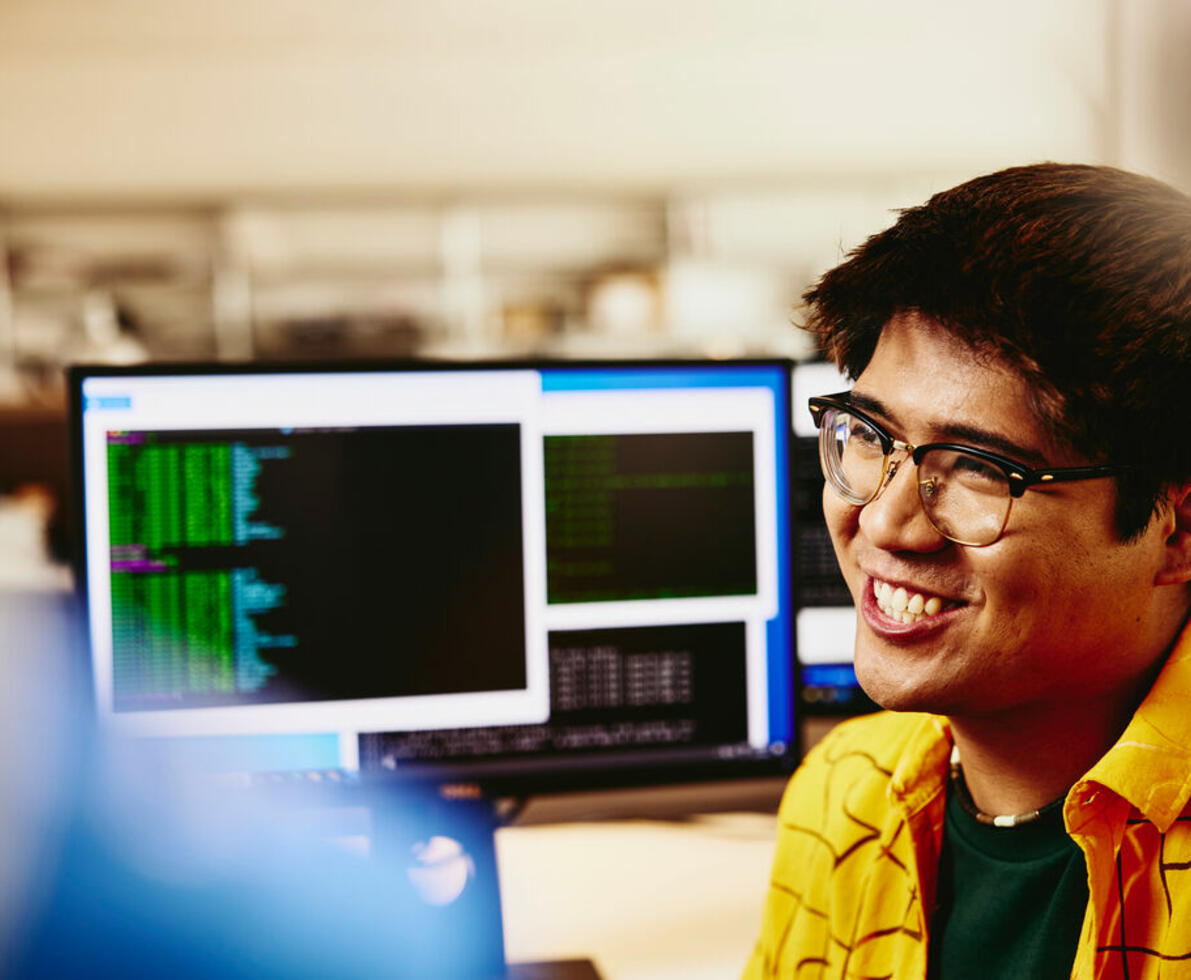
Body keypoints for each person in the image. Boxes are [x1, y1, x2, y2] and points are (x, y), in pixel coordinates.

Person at [744, 163, 1191, 979]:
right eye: (866, 435)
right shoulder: (846, 793)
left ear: (1177, 531)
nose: (882, 520)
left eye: (980, 469)